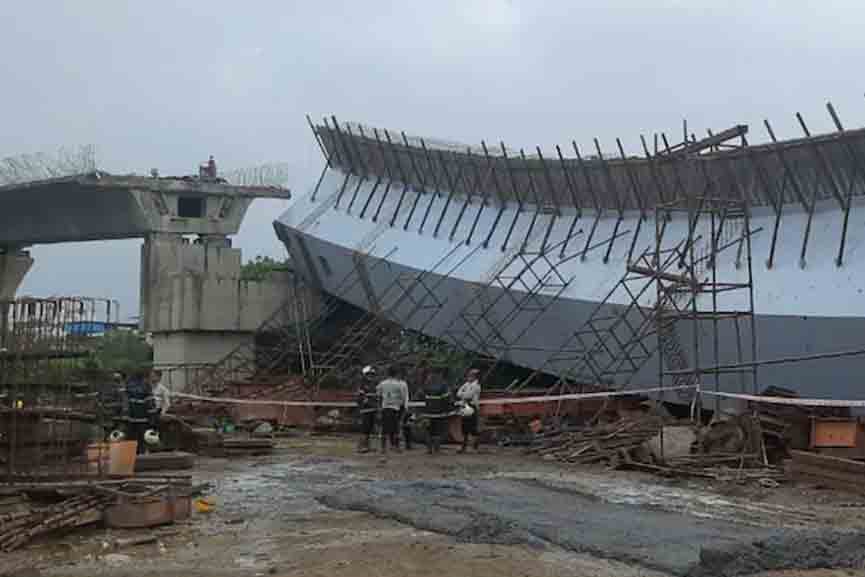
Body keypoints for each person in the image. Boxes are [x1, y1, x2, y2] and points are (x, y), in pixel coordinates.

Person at [376, 365, 409, 454]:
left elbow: (378, 396)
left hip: (385, 408)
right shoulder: (400, 384)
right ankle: (396, 447)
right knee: (396, 428)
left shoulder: (382, 383)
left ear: (387, 373)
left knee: (384, 429)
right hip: (395, 408)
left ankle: (383, 448)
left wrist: (379, 408)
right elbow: (403, 398)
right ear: (396, 373)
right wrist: (405, 408)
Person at [421, 366, 452, 454]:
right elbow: (447, 398)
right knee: (438, 431)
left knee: (428, 430)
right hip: (439, 412)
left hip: (428, 411)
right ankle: (437, 449)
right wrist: (447, 409)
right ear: (440, 373)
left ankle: (429, 449)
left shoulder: (426, 383)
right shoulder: (443, 384)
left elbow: (421, 395)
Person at [456, 368, 482, 453]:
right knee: (464, 427)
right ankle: (463, 447)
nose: (469, 377)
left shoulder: (477, 386)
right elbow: (458, 393)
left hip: (472, 406)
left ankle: (475, 447)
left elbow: (469, 396)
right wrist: (464, 394)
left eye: (471, 375)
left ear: (475, 377)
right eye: (469, 375)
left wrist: (463, 394)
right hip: (465, 406)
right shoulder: (466, 384)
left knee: (472, 427)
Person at [356, 365, 379, 453]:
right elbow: (360, 398)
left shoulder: (373, 385)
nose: (371, 376)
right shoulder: (362, 385)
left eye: (372, 374)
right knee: (364, 429)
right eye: (369, 374)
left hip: (373, 409)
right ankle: (361, 447)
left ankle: (367, 446)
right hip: (365, 410)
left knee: (369, 429)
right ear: (365, 375)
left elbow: (376, 396)